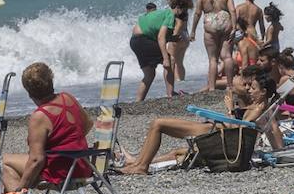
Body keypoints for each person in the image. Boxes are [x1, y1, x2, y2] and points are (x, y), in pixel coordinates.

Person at [118, 70, 276, 174]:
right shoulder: (257, 106)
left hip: (214, 133)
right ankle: (138, 163)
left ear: (263, 92)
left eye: (253, 88)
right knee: (157, 124)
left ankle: (140, 166)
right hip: (214, 131)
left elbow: (240, 129)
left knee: (158, 123)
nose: (249, 90)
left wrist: (229, 110)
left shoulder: (258, 108)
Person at [0, 63, 94, 193]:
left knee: (3, 162)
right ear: (51, 81)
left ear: (29, 92)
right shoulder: (67, 98)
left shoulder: (40, 117)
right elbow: (88, 124)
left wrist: (22, 187)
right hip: (82, 166)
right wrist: (68, 145)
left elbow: (37, 159)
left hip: (61, 172)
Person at [192, 0, 237, 91]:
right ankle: (230, 85)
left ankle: (212, 88)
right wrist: (234, 27)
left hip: (210, 24)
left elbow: (197, 13)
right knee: (227, 56)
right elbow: (232, 11)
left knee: (213, 59)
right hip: (225, 23)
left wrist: (193, 31)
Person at [130, 0, 176, 101]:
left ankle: (138, 101)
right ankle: (170, 94)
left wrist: (172, 38)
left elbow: (154, 36)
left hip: (134, 42)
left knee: (149, 74)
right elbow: (160, 38)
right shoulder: (166, 14)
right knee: (170, 60)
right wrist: (165, 58)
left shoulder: (143, 18)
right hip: (143, 40)